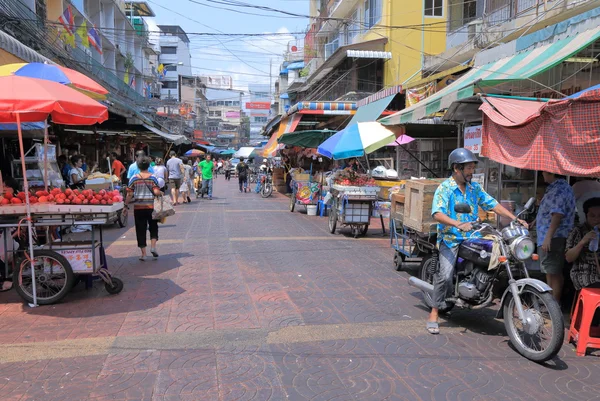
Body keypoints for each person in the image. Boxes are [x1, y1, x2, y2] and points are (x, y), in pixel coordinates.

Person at [427, 148, 526, 335]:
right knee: (445, 274)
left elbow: (492, 204)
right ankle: (434, 311)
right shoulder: (445, 188)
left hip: (474, 235)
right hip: (451, 238)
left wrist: (514, 219)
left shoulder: (474, 188)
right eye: (469, 168)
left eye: (473, 167)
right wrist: (458, 223)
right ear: (457, 168)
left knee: (499, 253)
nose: (472, 172)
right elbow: (437, 213)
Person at [536, 171, 576, 303]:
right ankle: (550, 303)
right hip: (550, 236)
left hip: (554, 237)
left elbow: (557, 215)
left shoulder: (559, 189)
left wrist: (548, 238)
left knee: (554, 272)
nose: (542, 174)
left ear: (550, 173)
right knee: (550, 270)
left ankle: (554, 305)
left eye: (544, 172)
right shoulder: (556, 187)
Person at [125, 157, 161, 261]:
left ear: (138, 166)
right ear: (148, 166)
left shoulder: (134, 178)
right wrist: (160, 192)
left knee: (140, 229)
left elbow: (129, 194)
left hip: (139, 208)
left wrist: (125, 205)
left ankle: (144, 254)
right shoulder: (153, 178)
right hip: (152, 207)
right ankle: (153, 247)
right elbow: (156, 192)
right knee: (153, 226)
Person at [566, 197, 600, 291]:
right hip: (585, 273)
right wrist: (583, 242)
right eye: (592, 216)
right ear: (586, 216)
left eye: (599, 216)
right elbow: (569, 258)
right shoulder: (578, 231)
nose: (596, 219)